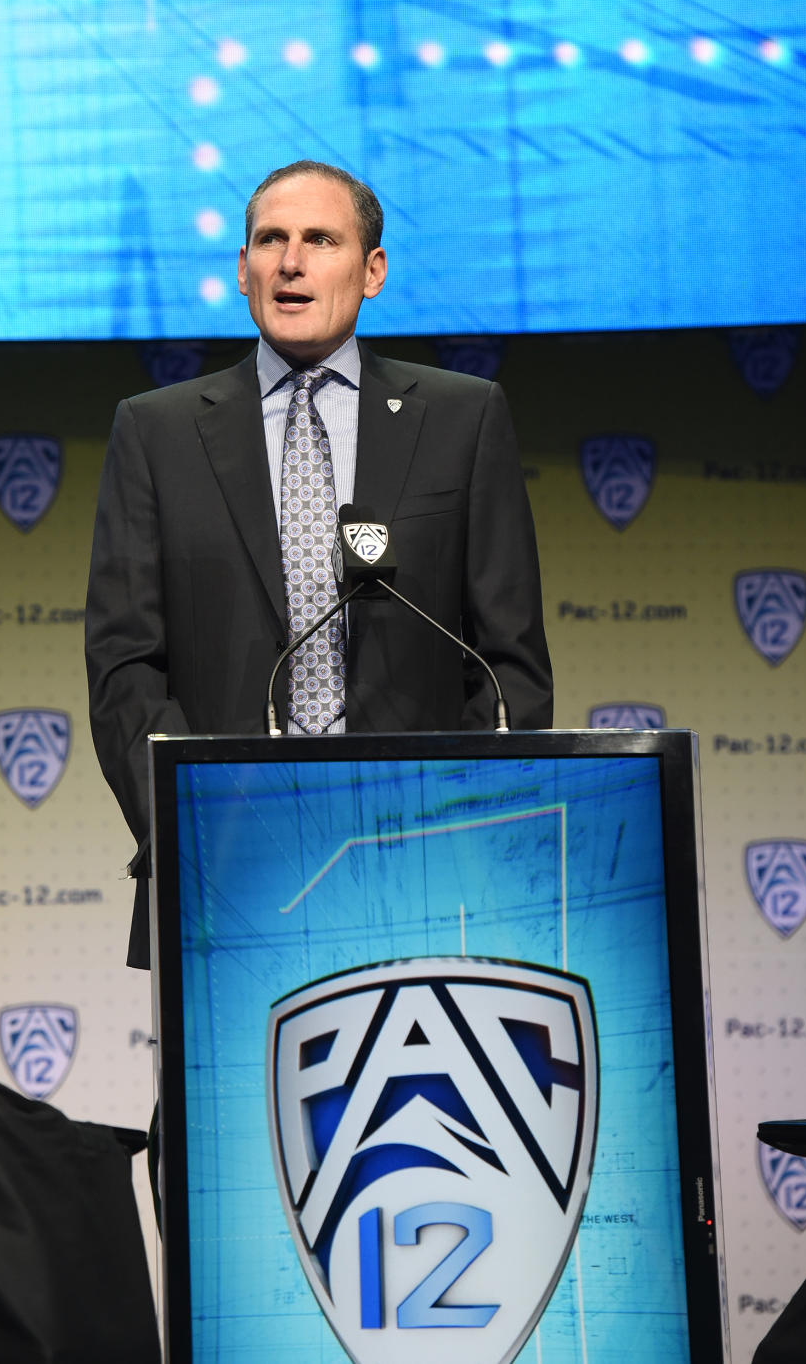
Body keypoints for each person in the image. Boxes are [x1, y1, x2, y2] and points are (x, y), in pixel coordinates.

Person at [85, 160, 553, 969]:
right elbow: (124, 665)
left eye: (320, 240)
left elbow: (509, 666)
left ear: (372, 271)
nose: (290, 262)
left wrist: (454, 826)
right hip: (222, 871)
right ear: (242, 269)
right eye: (270, 240)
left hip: (424, 870)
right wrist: (194, 826)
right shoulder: (155, 431)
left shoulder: (463, 417)